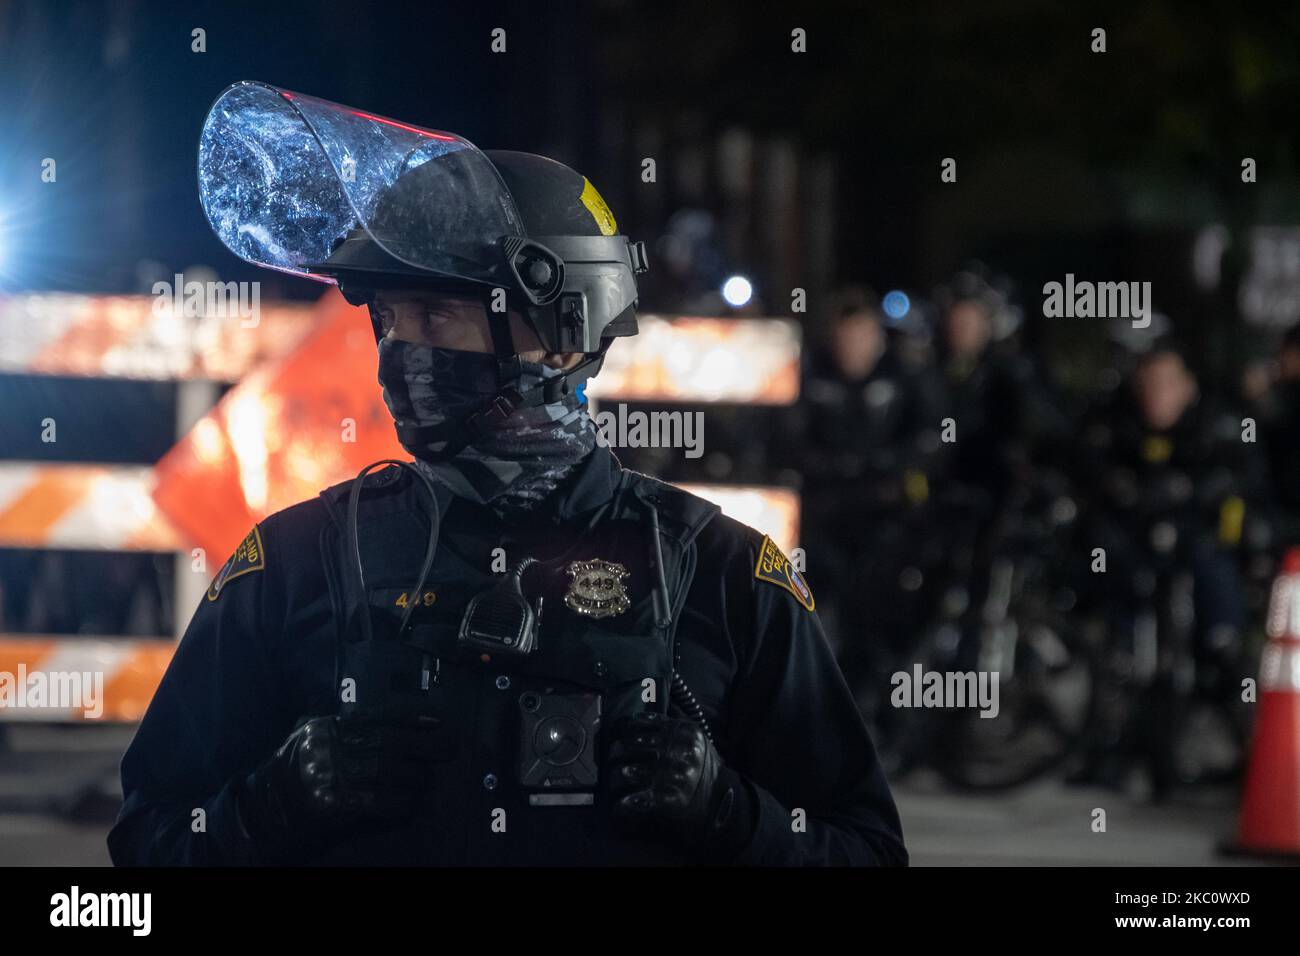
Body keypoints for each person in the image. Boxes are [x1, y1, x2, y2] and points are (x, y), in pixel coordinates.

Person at [107, 83, 906, 866]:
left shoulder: (722, 576)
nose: (398, 352)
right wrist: (271, 804)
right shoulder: (295, 563)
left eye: (437, 316)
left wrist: (733, 817)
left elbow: (866, 848)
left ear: (564, 336)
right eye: (387, 319)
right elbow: (148, 839)